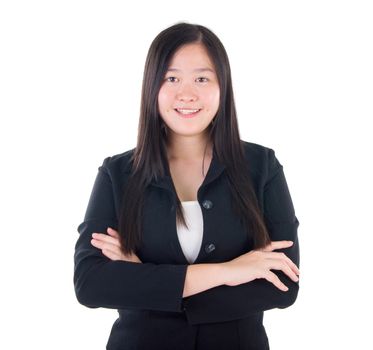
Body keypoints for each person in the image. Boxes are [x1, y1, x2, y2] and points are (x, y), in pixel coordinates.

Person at [73, 22, 301, 350]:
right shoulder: (118, 173)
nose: (187, 93)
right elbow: (91, 284)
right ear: (153, 87)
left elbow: (282, 283)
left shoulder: (261, 167)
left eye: (202, 78)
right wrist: (229, 271)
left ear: (223, 87)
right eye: (172, 78)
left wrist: (148, 281)